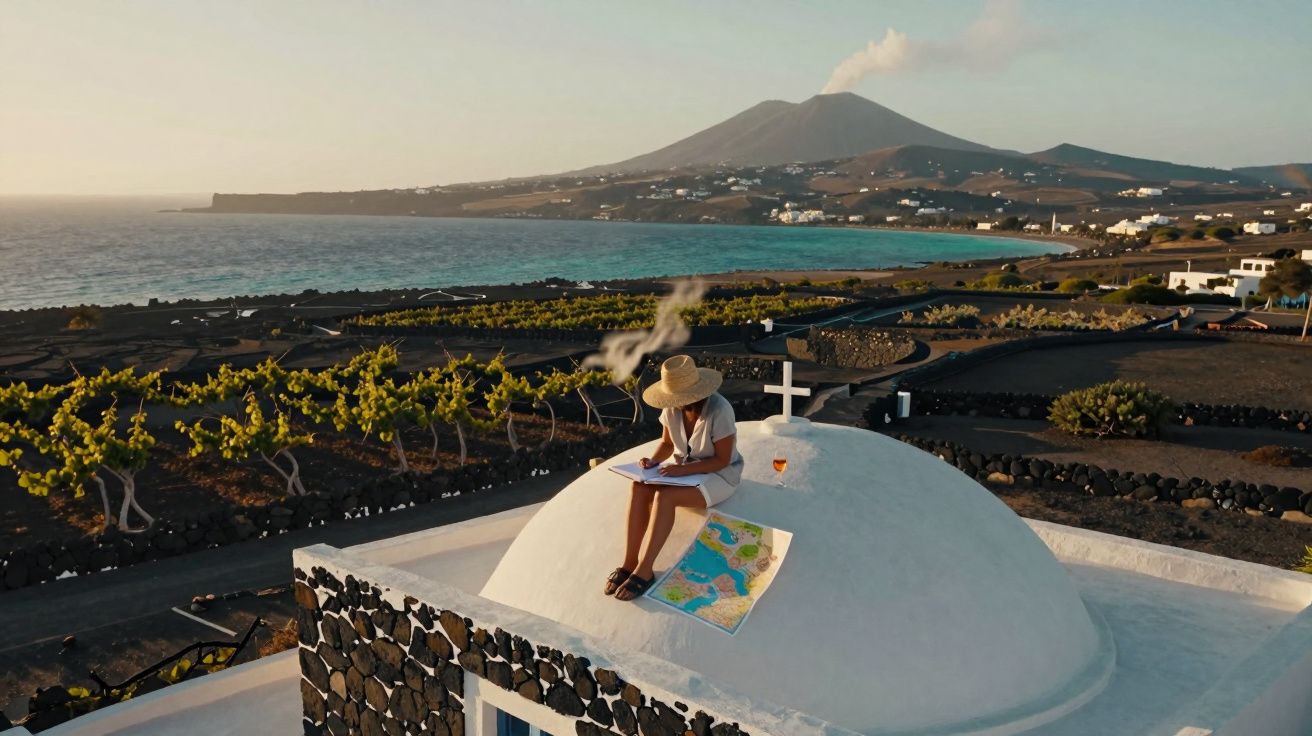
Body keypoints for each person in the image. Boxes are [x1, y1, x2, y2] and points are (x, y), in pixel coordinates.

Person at [605, 355, 743, 601]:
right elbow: (668, 443)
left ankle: (645, 570)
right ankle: (629, 562)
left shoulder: (720, 410)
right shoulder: (672, 408)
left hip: (720, 475)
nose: (676, 403)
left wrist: (683, 470)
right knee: (639, 486)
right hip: (685, 472)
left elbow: (722, 460)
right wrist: (654, 461)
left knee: (665, 497)